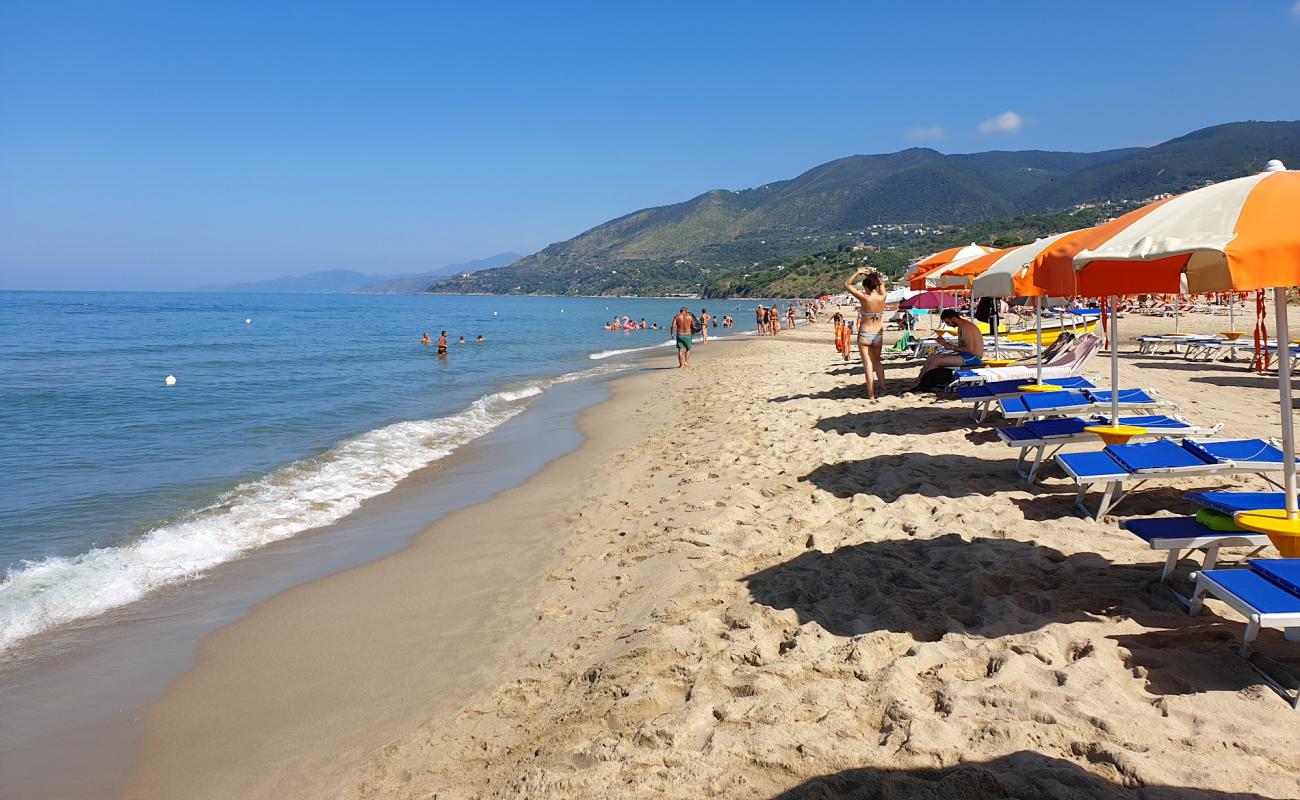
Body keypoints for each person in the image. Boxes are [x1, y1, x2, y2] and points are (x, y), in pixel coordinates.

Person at [908, 309, 984, 390]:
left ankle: (922, 384)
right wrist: (945, 344)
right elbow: (962, 347)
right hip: (966, 356)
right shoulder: (962, 326)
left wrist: (950, 347)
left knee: (936, 361)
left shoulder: (966, 327)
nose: (949, 325)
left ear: (954, 318)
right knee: (932, 357)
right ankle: (918, 381)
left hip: (973, 358)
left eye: (948, 322)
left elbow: (970, 349)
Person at [843, 268, 888, 399]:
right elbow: (882, 284)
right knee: (878, 362)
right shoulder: (883, 297)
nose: (864, 291)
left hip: (864, 334)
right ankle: (884, 388)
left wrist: (858, 272)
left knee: (868, 365)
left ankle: (871, 395)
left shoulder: (864, 298)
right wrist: (873, 275)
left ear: (867, 287)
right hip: (878, 335)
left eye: (865, 288)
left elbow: (847, 284)